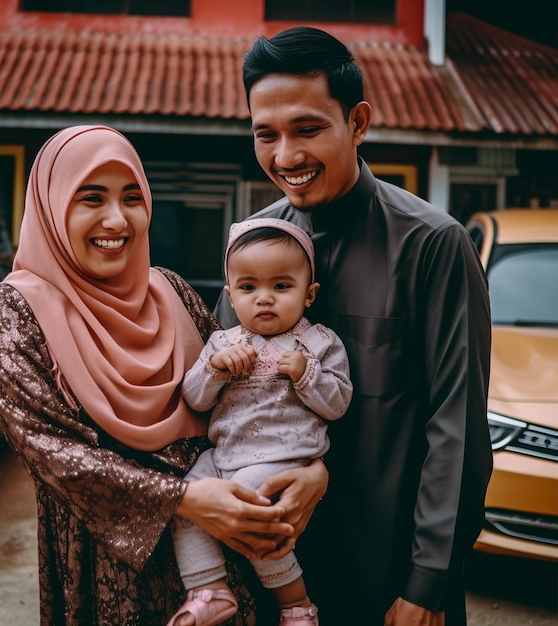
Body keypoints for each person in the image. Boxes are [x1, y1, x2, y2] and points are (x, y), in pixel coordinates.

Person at [0, 125, 327, 625]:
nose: (117, 219)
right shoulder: (15, 310)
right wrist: (185, 499)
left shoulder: (172, 291)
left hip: (225, 557)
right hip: (109, 568)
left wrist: (314, 470)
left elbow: (250, 393)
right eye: (91, 198)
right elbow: (53, 453)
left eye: (132, 197)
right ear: (51, 208)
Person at [215, 26, 493, 626]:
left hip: (389, 577)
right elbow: (218, 393)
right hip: (276, 572)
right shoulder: (250, 247)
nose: (285, 156)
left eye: (307, 129)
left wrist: (427, 583)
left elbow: (458, 426)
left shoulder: (432, 245)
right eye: (267, 134)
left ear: (358, 122)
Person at [168, 218, 352, 626]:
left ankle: (297, 605)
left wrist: (307, 374)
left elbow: (338, 404)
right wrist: (215, 370)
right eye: (249, 288)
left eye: (281, 287)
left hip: (284, 457)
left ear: (309, 294)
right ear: (231, 296)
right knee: (185, 500)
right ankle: (209, 588)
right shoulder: (223, 343)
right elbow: (195, 399)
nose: (264, 299)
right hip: (224, 455)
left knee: (249, 508)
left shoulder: (320, 343)